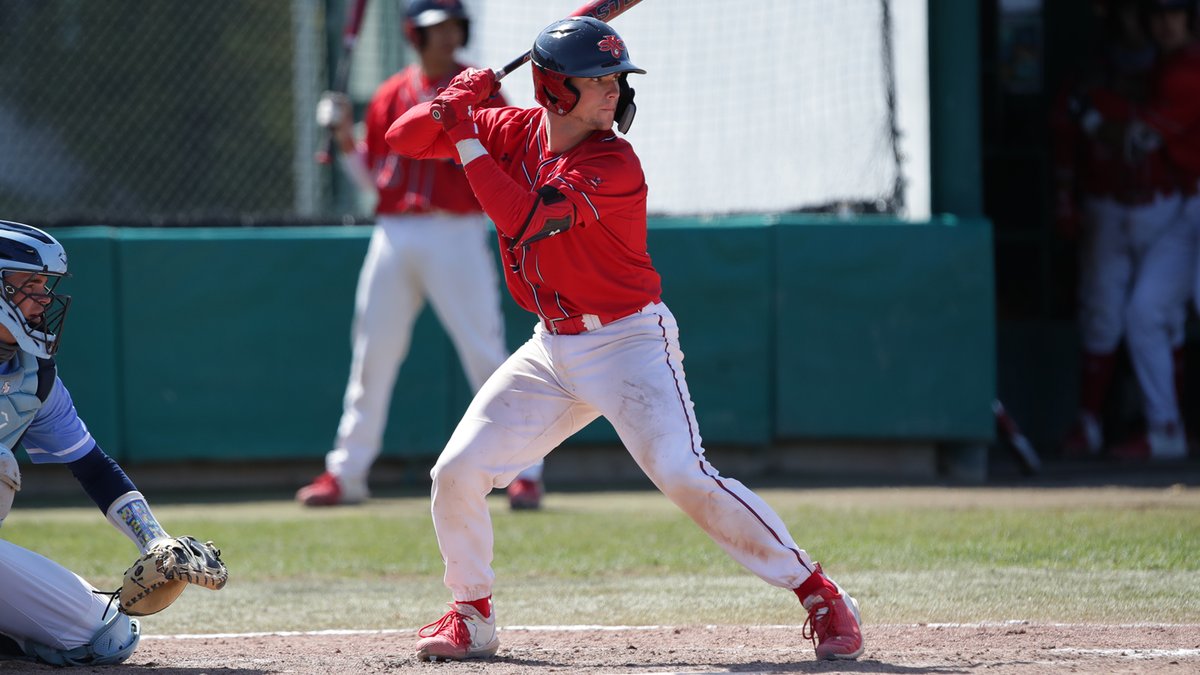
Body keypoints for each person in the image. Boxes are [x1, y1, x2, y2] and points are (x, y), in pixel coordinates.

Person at [385, 16, 864, 662]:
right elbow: (403, 138)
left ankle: (819, 592)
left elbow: (523, 219)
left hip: (628, 344)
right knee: (456, 472)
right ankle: (472, 613)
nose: (614, 90)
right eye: (597, 79)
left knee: (683, 473)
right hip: (552, 347)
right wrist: (451, 101)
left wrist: (463, 126)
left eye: (616, 78)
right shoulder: (513, 129)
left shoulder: (613, 162)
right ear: (554, 90)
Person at [297, 0, 544, 509]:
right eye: (436, 28)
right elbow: (374, 181)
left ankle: (524, 471)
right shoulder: (391, 93)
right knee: (373, 355)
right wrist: (344, 138)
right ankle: (346, 473)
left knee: (485, 353)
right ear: (415, 34)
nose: (447, 36)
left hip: (458, 230)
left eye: (454, 26)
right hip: (394, 232)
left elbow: (509, 157)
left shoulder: (482, 88)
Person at [0, 220, 225, 666]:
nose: (44, 298)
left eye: (45, 285)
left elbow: (94, 468)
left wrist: (155, 542)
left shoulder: (33, 375)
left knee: (108, 637)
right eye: (29, 284)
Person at [1054, 0, 1196, 462]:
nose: (1157, 24)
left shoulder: (1184, 71)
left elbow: (1138, 139)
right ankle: (1161, 429)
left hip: (1171, 203)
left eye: (1172, 13)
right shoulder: (1141, 68)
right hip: (1156, 207)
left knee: (1160, 316)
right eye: (1151, 14)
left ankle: (1167, 427)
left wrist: (1093, 119)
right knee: (1134, 314)